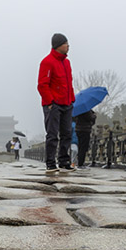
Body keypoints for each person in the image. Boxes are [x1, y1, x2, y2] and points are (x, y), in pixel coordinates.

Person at [37, 33, 74, 173]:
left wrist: (72, 99)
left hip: (67, 102)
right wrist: (50, 102)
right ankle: (51, 162)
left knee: (67, 133)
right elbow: (42, 85)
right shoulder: (47, 62)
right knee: (52, 134)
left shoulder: (67, 62)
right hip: (53, 104)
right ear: (58, 45)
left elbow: (69, 83)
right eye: (66, 43)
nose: (68, 46)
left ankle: (64, 161)